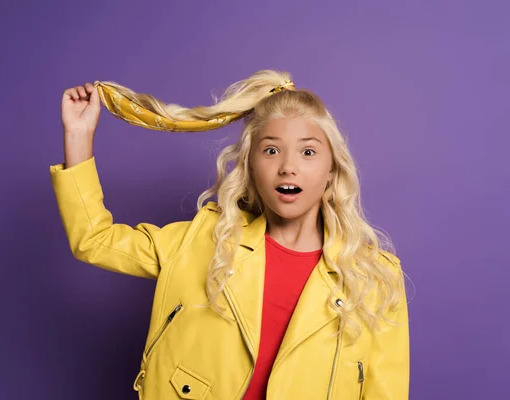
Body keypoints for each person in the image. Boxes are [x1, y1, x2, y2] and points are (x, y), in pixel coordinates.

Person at [50, 69, 410, 399]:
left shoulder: (374, 278)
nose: (288, 167)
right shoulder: (204, 242)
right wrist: (79, 136)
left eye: (308, 152)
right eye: (271, 150)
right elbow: (96, 241)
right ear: (251, 166)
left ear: (332, 170)